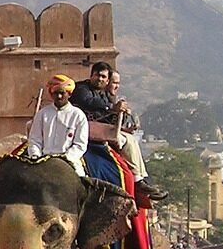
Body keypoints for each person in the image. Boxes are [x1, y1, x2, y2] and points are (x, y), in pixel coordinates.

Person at [71, 61, 167, 200]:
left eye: (104, 77)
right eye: (98, 75)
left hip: (99, 127)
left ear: (107, 80)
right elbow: (88, 102)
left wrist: (122, 125)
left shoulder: (103, 94)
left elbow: (105, 116)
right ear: (91, 75)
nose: (100, 79)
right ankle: (138, 180)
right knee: (128, 141)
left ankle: (140, 177)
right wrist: (111, 107)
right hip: (84, 128)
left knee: (130, 138)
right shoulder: (82, 89)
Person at [25, 74, 89, 176]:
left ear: (69, 94)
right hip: (42, 161)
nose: (59, 96)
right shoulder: (42, 114)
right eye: (55, 93)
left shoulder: (78, 115)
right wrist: (36, 156)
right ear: (51, 94)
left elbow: (80, 145)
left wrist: (65, 159)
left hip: (69, 163)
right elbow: (34, 140)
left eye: (62, 93)